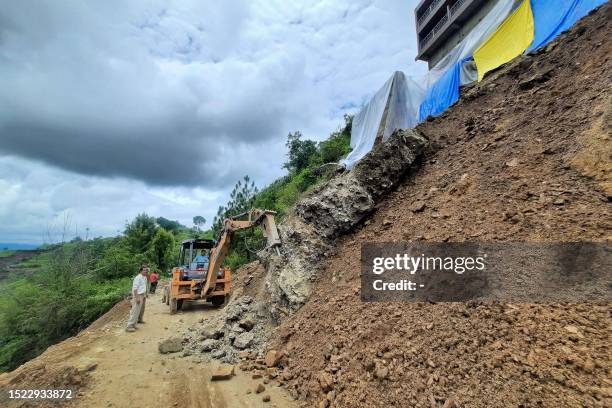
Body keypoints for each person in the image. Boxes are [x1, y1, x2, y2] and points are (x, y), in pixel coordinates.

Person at [126, 265, 148, 332]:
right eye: (144, 270)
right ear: (141, 271)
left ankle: (134, 324)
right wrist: (137, 297)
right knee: (135, 310)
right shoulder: (138, 278)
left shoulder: (144, 277)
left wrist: (145, 294)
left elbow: (144, 286)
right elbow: (135, 289)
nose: (146, 271)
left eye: (146, 270)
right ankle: (129, 326)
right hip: (138, 295)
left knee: (139, 310)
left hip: (142, 295)